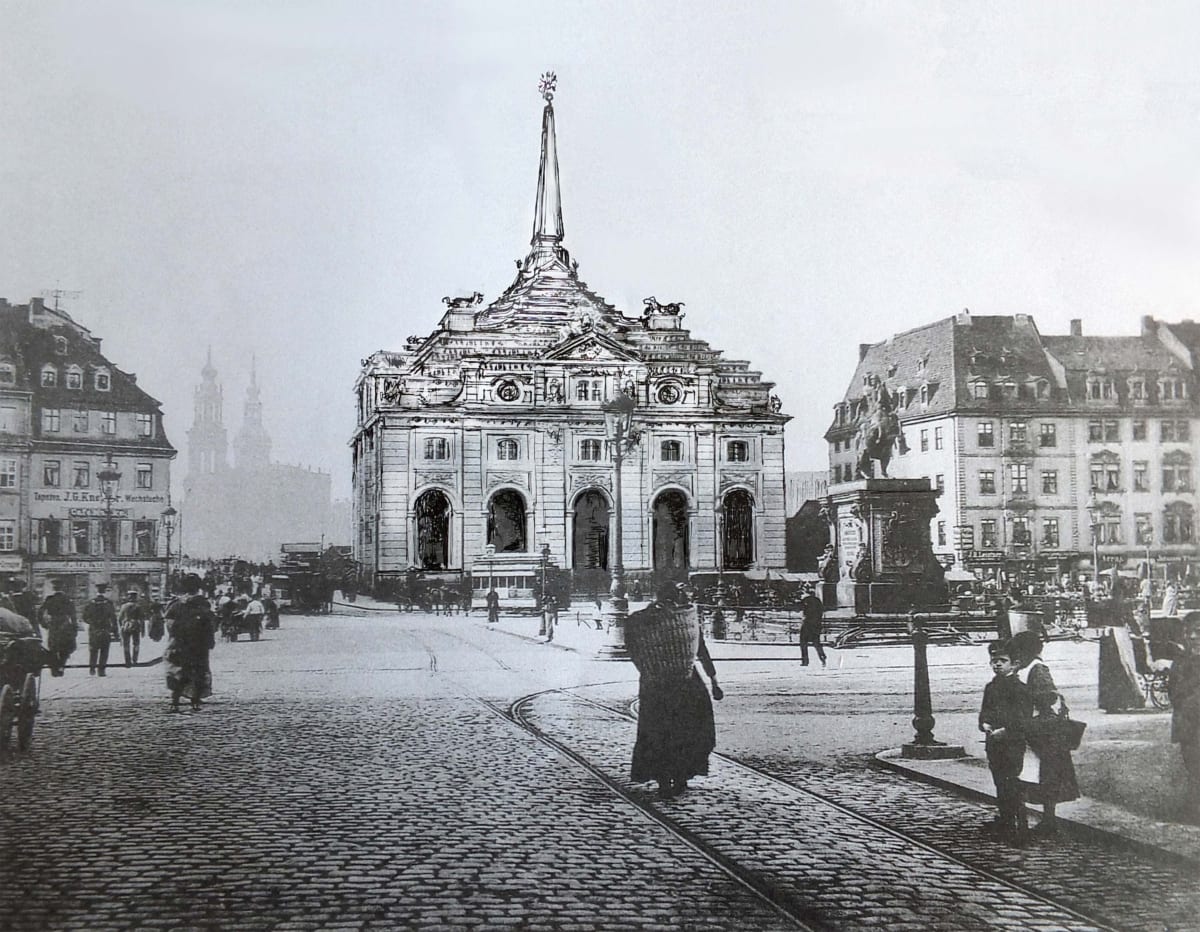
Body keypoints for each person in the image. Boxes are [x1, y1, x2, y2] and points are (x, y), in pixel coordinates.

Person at [628, 583, 723, 800]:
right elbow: (702, 650)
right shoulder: (686, 619)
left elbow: (633, 648)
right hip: (687, 683)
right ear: (677, 597)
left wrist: (647, 669)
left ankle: (662, 780)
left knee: (657, 731)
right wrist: (714, 681)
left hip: (654, 684)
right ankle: (681, 777)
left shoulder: (640, 619)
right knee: (688, 730)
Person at [1009, 629, 1079, 836]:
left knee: (1044, 775)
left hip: (1041, 732)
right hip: (1032, 730)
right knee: (1031, 775)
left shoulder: (1037, 669)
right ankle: (1033, 820)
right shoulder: (1028, 668)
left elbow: (1048, 697)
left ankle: (1048, 820)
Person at [979, 640, 1031, 845]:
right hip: (994, 743)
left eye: (1002, 661)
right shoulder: (991, 687)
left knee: (1013, 784)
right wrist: (984, 724)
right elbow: (985, 711)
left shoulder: (1020, 689)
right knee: (1000, 782)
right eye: (994, 661)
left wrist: (1007, 731)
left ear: (1014, 664)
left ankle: (1020, 827)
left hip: (1012, 744)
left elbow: (1023, 717)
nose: (997, 665)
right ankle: (1006, 822)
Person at [164, 573, 217, 712]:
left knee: (179, 671)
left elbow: (169, 623)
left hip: (180, 643)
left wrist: (174, 637)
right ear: (198, 587)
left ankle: (174, 702)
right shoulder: (203, 604)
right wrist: (210, 640)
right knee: (198, 671)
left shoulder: (175, 604)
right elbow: (209, 624)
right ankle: (195, 701)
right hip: (198, 644)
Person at [1168, 611, 1200, 824]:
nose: (1193, 637)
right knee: (1193, 766)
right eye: (1189, 633)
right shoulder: (1180, 660)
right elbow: (1173, 691)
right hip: (1187, 724)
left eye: (1198, 632)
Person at [40, 581, 77, 675]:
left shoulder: (49, 599)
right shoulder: (67, 599)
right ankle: (61, 666)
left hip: (53, 624)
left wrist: (43, 623)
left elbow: (40, 612)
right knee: (65, 647)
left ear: (53, 588)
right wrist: (74, 626)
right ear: (62, 588)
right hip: (65, 624)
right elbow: (73, 615)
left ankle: (54, 668)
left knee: (53, 646)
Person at [82, 582, 119, 677]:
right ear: (105, 591)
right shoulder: (109, 603)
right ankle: (101, 670)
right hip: (105, 629)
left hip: (94, 629)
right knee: (104, 650)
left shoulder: (91, 603)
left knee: (93, 649)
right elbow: (113, 618)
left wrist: (92, 623)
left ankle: (92, 668)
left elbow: (84, 617)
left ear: (96, 591)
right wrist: (115, 632)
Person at [798, 585, 827, 668]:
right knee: (816, 642)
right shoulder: (818, 601)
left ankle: (805, 660)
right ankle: (822, 656)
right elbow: (821, 611)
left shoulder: (805, 600)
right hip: (817, 624)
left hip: (807, 624)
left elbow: (801, 610)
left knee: (803, 642)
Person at [118, 590, 147, 667]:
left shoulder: (124, 606)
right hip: (136, 626)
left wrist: (121, 626)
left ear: (128, 597)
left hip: (126, 626)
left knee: (126, 644)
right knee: (136, 644)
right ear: (135, 597)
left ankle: (127, 661)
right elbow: (142, 619)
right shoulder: (138, 607)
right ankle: (135, 660)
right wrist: (143, 630)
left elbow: (119, 618)